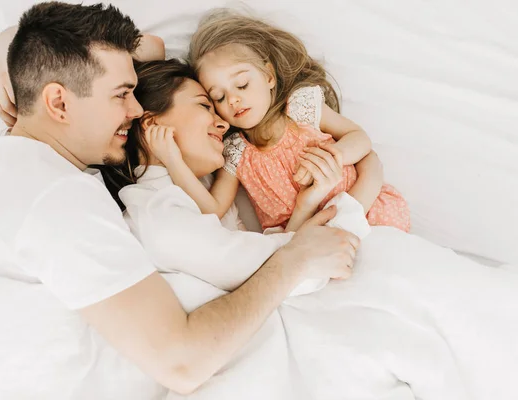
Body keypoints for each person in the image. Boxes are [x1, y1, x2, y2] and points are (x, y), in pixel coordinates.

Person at [0, 2, 359, 395]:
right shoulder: (57, 202)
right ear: (59, 103)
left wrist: (10, 42)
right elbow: (183, 364)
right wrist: (296, 258)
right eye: (121, 95)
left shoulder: (20, 159)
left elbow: (145, 48)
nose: (136, 111)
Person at [107, 58, 518, 400]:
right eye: (204, 105)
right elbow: (300, 266)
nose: (222, 122)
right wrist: (357, 195)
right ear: (149, 123)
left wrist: (307, 206)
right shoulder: (159, 212)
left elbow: (271, 256)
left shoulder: (189, 200)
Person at [146, 10, 410, 233]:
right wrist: (173, 161)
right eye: (219, 97)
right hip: (302, 235)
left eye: (242, 84)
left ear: (269, 76)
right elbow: (213, 208)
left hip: (368, 211)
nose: (234, 100)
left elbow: (359, 137)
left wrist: (333, 155)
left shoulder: (299, 108)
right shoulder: (237, 152)